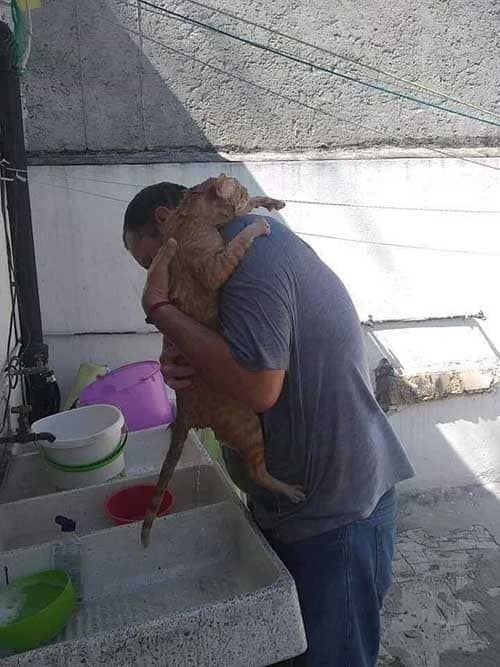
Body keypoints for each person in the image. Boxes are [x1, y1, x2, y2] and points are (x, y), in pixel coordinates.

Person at [123, 181, 415, 667]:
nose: (157, 275)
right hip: (291, 499)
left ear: (166, 220)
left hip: (333, 511)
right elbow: (221, 352)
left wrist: (160, 310)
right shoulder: (217, 254)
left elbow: (259, 386)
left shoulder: (254, 258)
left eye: (151, 261)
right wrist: (178, 359)